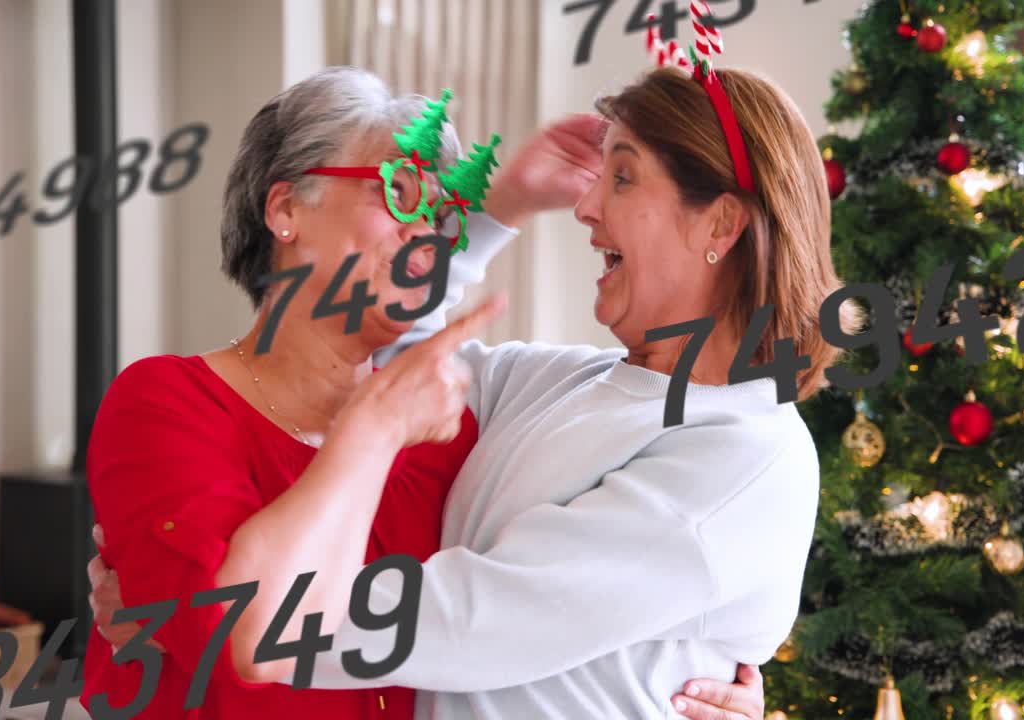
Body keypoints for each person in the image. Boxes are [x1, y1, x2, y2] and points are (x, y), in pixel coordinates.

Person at [79, 66, 763, 720]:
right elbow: (239, 636)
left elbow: (532, 615)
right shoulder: (163, 404)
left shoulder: (457, 428)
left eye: (442, 217)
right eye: (401, 192)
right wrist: (369, 435)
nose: (430, 235)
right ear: (287, 208)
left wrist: (691, 669)